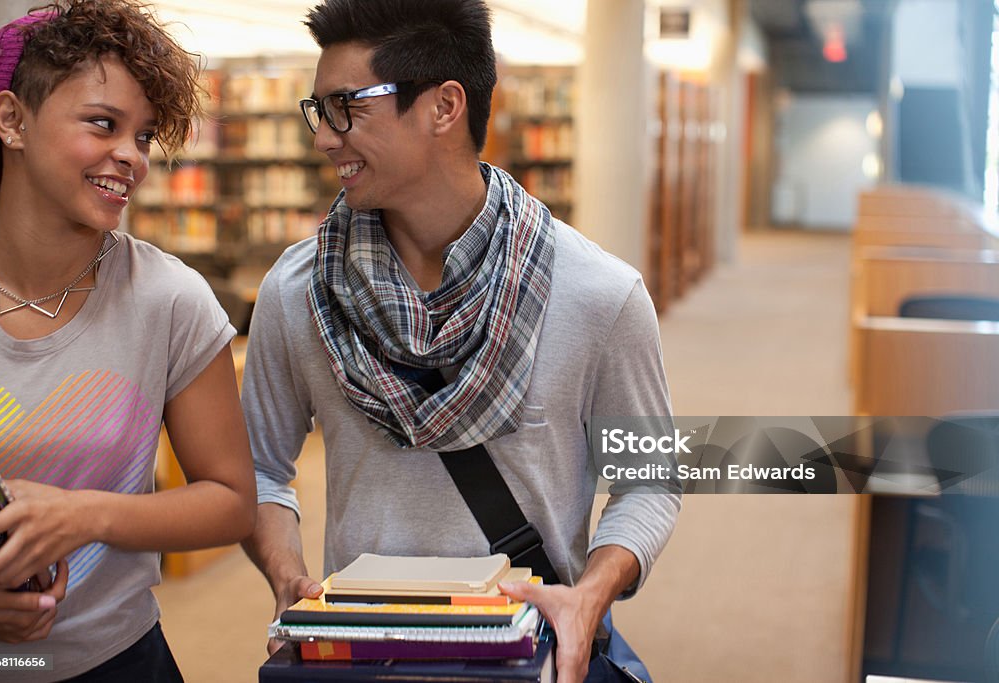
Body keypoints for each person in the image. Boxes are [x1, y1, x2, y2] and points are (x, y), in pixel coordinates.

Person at [241, 1, 680, 681]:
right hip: (357, 650)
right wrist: (287, 575)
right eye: (318, 109)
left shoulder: (600, 294)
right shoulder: (297, 291)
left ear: (444, 106)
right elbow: (260, 467)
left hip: (523, 653)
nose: (325, 138)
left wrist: (589, 597)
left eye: (346, 106)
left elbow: (651, 481)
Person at [0, 1, 256, 680]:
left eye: (145, 137)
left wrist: (85, 515)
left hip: (117, 662)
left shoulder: (169, 300)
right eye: (103, 124)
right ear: (12, 119)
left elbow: (231, 499)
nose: (131, 157)